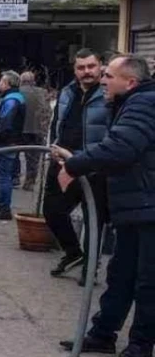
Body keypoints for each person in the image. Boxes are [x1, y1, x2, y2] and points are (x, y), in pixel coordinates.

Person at [55, 54, 155, 357]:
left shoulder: (144, 103)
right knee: (120, 274)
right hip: (135, 206)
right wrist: (82, 160)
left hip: (149, 207)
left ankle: (141, 342)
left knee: (147, 280)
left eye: (109, 76)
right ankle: (103, 335)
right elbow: (122, 152)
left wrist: (74, 165)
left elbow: (121, 147)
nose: (103, 80)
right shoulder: (129, 104)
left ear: (131, 82)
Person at [44, 49, 111, 283]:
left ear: (100, 66)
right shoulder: (67, 92)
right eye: (81, 67)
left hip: (94, 167)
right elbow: (57, 123)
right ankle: (74, 254)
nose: (87, 72)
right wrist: (53, 147)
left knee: (94, 219)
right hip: (63, 163)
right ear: (75, 70)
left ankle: (90, 268)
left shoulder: (109, 94)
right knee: (52, 210)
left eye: (91, 66)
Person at [0, 71, 27, 220]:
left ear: (7, 84)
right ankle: (2, 206)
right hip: (8, 142)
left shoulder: (11, 100)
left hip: (4, 143)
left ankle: (3, 209)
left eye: (2, 81)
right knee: (4, 176)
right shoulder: (15, 98)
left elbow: (6, 124)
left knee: (3, 177)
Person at [19, 71, 50, 191]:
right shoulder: (42, 92)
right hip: (37, 129)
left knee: (13, 155)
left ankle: (14, 178)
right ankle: (30, 181)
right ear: (33, 81)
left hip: (21, 129)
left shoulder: (18, 92)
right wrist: (45, 128)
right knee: (34, 158)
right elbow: (47, 111)